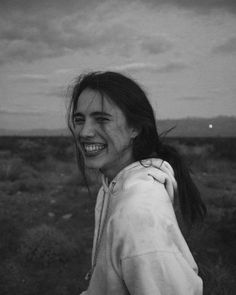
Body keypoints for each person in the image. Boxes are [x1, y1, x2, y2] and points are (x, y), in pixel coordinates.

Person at [68, 71, 206, 295]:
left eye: (102, 119)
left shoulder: (137, 211)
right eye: (79, 119)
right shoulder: (112, 187)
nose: (84, 132)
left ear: (135, 127)